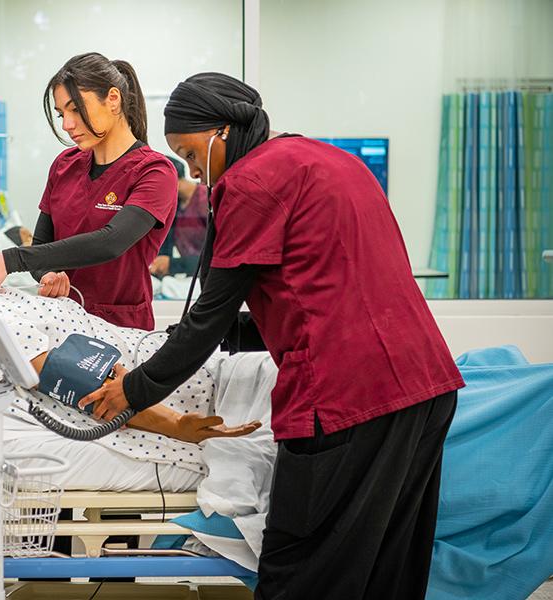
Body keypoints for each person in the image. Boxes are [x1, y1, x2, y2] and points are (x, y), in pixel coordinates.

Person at [80, 73, 465, 600]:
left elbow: (209, 316)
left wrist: (136, 388)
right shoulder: (327, 160)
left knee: (297, 570)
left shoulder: (251, 183)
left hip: (349, 396)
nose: (194, 173)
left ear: (221, 132)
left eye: (191, 155)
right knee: (386, 572)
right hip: (426, 384)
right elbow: (312, 285)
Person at [0, 234, 260, 450]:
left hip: (170, 366)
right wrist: (175, 425)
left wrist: (55, 302)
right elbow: (80, 384)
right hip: (170, 385)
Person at [0, 52, 178, 330]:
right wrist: (47, 274)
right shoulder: (64, 166)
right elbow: (42, 245)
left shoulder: (155, 172)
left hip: (120, 328)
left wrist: (10, 259)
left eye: (76, 109)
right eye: (61, 114)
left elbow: (110, 242)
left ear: (113, 99)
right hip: (60, 322)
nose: (67, 124)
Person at [150, 156, 208, 277]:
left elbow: (216, 255)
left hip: (207, 275)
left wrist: (173, 265)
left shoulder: (205, 200)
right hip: (190, 275)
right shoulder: (175, 204)